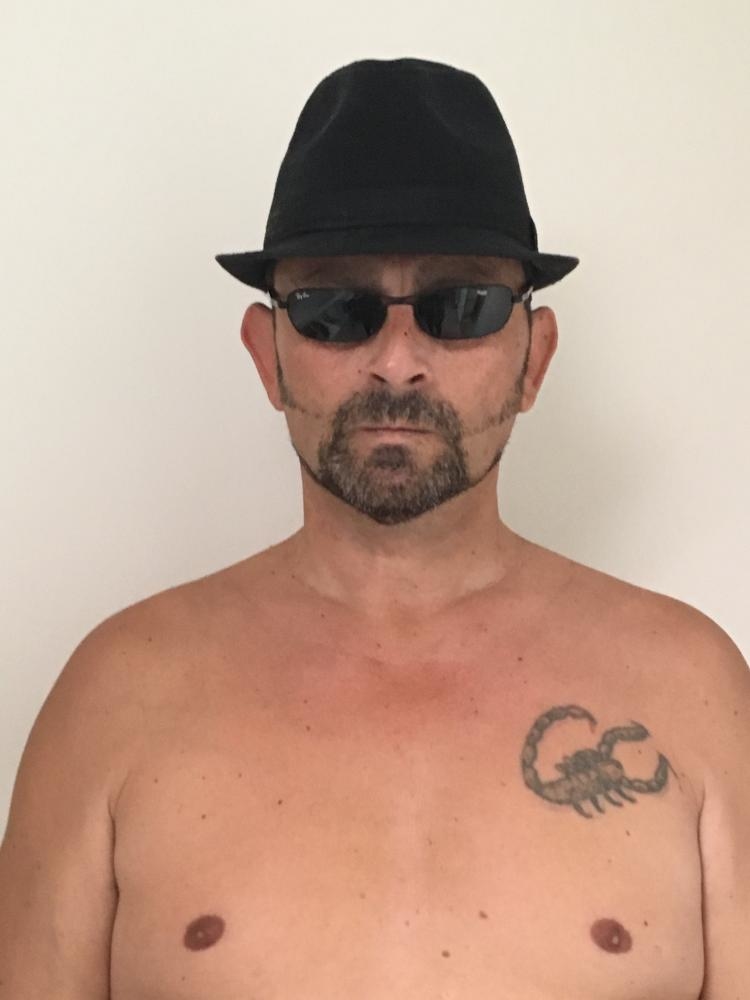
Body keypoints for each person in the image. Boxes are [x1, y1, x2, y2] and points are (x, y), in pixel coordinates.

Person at [1, 56, 748, 1000]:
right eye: (334, 309)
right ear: (268, 356)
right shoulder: (116, 697)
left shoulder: (692, 691)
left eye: (461, 306)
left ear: (534, 356)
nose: (397, 361)